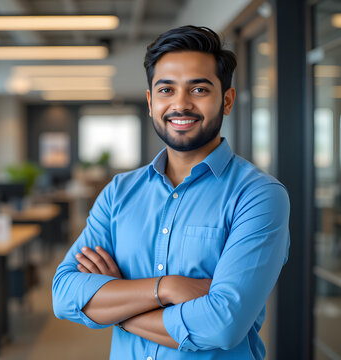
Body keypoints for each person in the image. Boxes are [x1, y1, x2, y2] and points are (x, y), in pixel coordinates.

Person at [52, 25, 290, 359]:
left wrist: (118, 303)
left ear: (227, 100)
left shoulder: (259, 196)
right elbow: (63, 295)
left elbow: (222, 325)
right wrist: (167, 288)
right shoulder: (119, 193)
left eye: (199, 90)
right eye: (166, 90)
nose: (180, 104)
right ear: (150, 102)